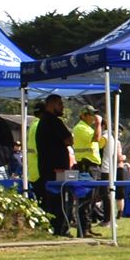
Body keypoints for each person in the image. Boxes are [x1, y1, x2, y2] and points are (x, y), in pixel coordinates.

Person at [32, 95, 79, 235]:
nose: (62, 107)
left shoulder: (42, 122)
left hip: (47, 169)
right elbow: (70, 140)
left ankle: (57, 227)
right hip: (58, 170)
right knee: (64, 199)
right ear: (51, 104)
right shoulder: (54, 121)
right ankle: (62, 228)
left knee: (53, 201)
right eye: (60, 104)